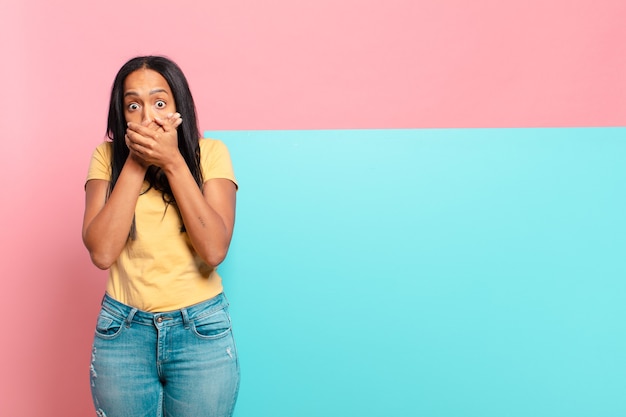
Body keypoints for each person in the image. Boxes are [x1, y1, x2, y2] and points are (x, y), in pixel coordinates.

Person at [82, 55, 240, 417]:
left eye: (159, 102)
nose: (146, 117)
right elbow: (102, 253)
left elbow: (215, 249)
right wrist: (137, 161)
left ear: (178, 107)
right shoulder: (106, 158)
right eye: (133, 105)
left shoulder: (212, 154)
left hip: (201, 331)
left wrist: (171, 161)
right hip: (122, 332)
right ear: (121, 115)